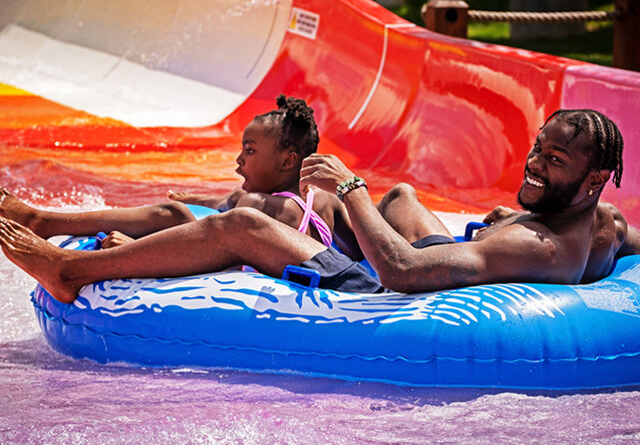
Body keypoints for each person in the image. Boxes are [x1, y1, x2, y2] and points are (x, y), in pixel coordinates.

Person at [1, 109, 639, 304]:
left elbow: (405, 276)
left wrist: (350, 188)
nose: (532, 164)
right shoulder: (606, 224)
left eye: (554, 162)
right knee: (404, 195)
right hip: (436, 250)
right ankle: (136, 243)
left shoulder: (538, 246)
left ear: (595, 177)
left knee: (247, 223)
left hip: (394, 287)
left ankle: (69, 269)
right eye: (537, 148)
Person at [0, 95, 361, 257]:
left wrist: (135, 251)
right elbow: (359, 251)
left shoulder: (253, 206)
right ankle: (45, 221)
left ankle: (45, 220)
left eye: (249, 152)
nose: (238, 161)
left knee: (171, 218)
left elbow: (220, 256)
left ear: (288, 160)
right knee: (183, 211)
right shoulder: (327, 201)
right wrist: (194, 199)